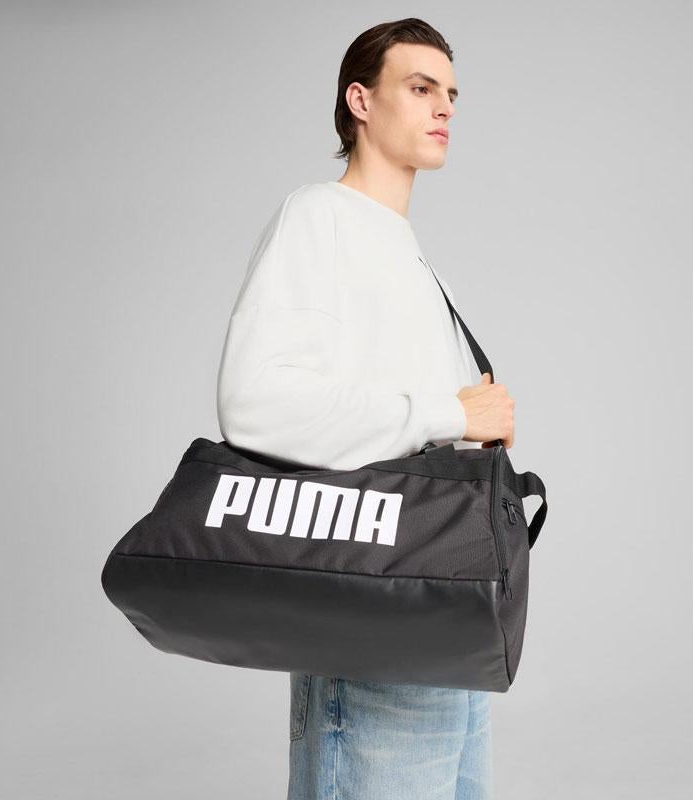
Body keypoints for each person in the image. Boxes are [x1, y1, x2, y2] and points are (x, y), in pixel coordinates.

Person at [216, 17, 515, 800]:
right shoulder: (319, 216)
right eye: (420, 88)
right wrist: (451, 415)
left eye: (451, 94)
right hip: (375, 620)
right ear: (360, 100)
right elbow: (255, 402)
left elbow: (417, 430)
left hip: (444, 617)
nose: (444, 107)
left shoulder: (413, 257)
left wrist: (474, 435)